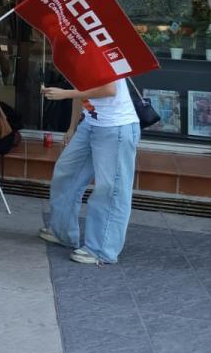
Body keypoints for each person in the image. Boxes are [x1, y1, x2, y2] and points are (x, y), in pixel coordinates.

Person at [39, 76, 141, 265]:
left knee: (110, 190)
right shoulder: (81, 54)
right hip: (90, 124)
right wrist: (72, 127)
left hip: (115, 127)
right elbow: (82, 91)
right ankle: (63, 233)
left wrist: (65, 94)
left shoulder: (101, 52)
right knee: (66, 174)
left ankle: (102, 250)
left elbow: (109, 90)